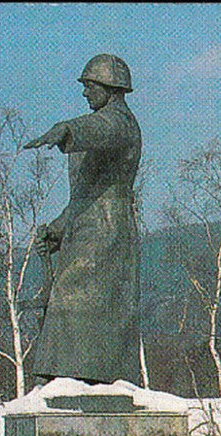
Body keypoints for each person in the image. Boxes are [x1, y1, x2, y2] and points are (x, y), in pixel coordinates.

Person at [22, 53, 141, 386]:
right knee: (68, 299)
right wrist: (58, 229)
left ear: (109, 87)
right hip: (87, 227)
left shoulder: (120, 122)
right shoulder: (103, 125)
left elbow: (99, 128)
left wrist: (66, 129)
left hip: (106, 232)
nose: (85, 93)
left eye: (90, 86)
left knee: (78, 299)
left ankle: (80, 379)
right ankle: (62, 377)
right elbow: (85, 196)